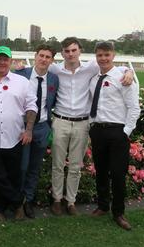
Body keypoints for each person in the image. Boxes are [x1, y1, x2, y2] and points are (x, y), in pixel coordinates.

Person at [47, 37, 133, 216]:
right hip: (60, 121)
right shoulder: (54, 68)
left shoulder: (91, 67)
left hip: (82, 123)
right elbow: (35, 69)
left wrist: (129, 70)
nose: (70, 54)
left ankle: (70, 201)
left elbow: (112, 66)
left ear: (80, 51)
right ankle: (56, 199)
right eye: (67, 51)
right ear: (62, 53)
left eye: (73, 50)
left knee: (76, 166)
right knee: (57, 164)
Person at [0, 46, 37, 221]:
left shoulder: (22, 82)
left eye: (6, 59)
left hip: (14, 137)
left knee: (12, 176)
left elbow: (31, 106)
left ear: (11, 62)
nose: (2, 62)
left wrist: (28, 130)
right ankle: (18, 201)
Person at [88, 41, 140, 230]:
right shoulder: (94, 79)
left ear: (113, 55)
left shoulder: (123, 78)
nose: (103, 58)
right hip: (97, 130)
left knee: (118, 174)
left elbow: (134, 108)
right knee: (100, 171)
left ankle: (118, 213)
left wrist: (125, 132)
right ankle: (103, 206)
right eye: (100, 55)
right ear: (96, 57)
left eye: (106, 55)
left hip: (117, 132)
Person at [14, 45, 59, 219]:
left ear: (52, 60)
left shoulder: (54, 79)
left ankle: (29, 201)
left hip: (42, 127)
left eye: (48, 57)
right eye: (41, 55)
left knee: (34, 168)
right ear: (35, 56)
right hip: (23, 127)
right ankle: (18, 201)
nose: (44, 59)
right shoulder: (21, 74)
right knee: (22, 167)